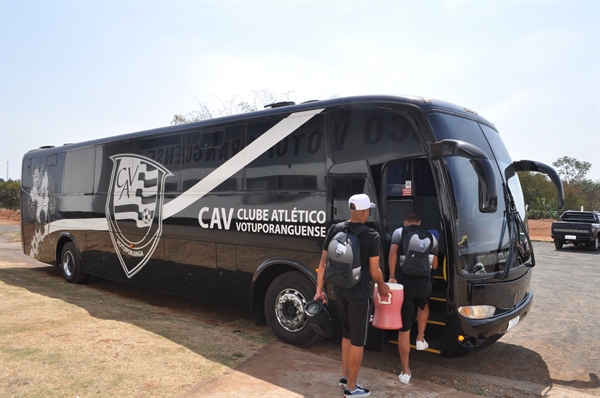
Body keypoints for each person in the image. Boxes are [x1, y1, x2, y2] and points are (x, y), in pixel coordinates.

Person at [314, 193, 390, 398]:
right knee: (358, 340)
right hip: (359, 294)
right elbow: (374, 272)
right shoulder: (372, 236)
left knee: (346, 335)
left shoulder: (335, 229)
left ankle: (345, 377)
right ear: (365, 212)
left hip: (339, 289)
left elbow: (322, 263)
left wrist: (319, 290)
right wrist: (382, 285)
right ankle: (352, 387)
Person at [388, 209, 438, 384]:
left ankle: (406, 371)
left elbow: (393, 252)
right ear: (420, 222)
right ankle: (420, 338)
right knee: (424, 305)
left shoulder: (399, 232)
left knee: (405, 327)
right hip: (424, 283)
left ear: (405, 222)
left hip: (405, 284)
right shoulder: (431, 237)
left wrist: (392, 275)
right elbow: (435, 265)